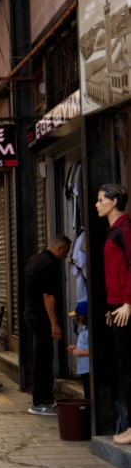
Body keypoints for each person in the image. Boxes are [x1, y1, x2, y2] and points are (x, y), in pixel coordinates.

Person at [95, 183, 131, 444]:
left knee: (129, 367)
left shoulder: (125, 229)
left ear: (115, 202)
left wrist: (127, 302)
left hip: (125, 307)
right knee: (122, 366)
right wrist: (113, 305)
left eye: (100, 200)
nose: (97, 204)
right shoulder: (111, 231)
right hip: (116, 307)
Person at [24, 234, 71, 416]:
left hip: (31, 314)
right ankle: (38, 402)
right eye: (65, 253)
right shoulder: (49, 264)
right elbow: (48, 295)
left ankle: (45, 398)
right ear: (59, 249)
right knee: (43, 358)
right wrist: (55, 323)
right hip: (42, 317)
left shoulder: (34, 259)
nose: (65, 257)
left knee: (44, 356)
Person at [67, 301, 90, 399]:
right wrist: (76, 348)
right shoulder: (83, 330)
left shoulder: (88, 332)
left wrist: (79, 352)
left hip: (88, 368)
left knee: (89, 393)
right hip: (83, 368)